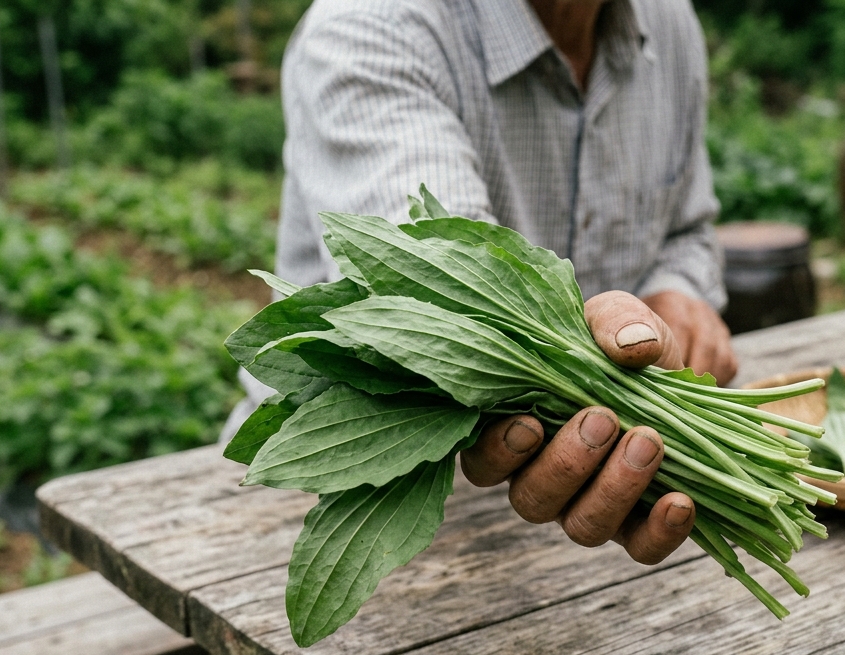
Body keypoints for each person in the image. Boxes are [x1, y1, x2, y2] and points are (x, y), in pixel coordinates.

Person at [226, 0, 736, 568]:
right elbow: (442, 306)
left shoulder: (668, 22)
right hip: (356, 492)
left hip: (589, 503)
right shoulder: (371, 23)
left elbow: (688, 230)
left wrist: (676, 294)